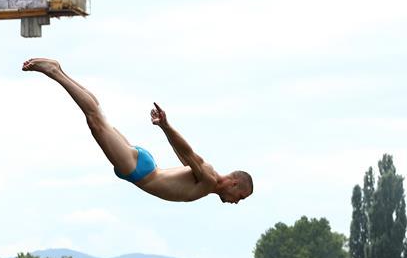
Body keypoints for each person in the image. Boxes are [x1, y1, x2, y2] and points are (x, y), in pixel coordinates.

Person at [22, 58, 253, 204]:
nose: (236, 202)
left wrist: (165, 130)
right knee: (96, 121)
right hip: (141, 172)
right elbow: (188, 152)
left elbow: (183, 158)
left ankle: (60, 71)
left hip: (144, 167)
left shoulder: (206, 182)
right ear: (234, 183)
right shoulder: (209, 178)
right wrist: (166, 126)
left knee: (100, 118)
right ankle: (55, 72)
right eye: (240, 197)